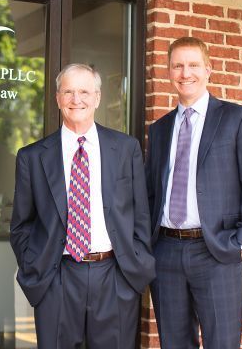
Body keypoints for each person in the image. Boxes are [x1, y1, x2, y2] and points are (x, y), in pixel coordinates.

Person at [10, 63, 155, 349]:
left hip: (115, 276)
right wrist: (36, 267)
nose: (77, 99)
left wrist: (135, 264)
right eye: (69, 92)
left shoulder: (126, 149)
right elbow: (21, 225)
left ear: (98, 97)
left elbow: (141, 214)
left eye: (85, 92)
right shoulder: (32, 157)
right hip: (57, 277)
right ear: (58, 98)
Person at [145, 37, 242, 349]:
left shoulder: (237, 118)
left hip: (216, 251)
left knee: (222, 344)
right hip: (166, 253)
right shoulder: (159, 129)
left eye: (193, 65)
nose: (185, 73)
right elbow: (150, 192)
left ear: (208, 69)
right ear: (168, 71)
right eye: (177, 65)